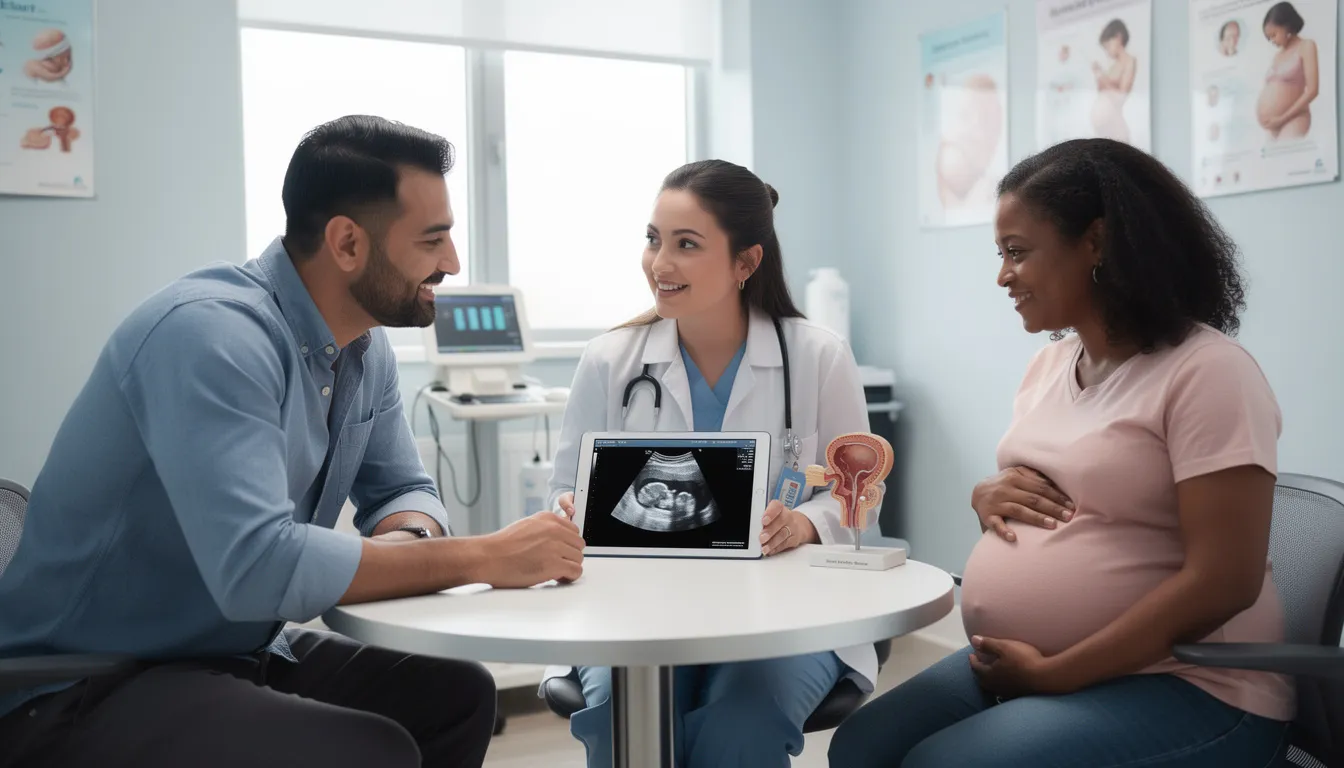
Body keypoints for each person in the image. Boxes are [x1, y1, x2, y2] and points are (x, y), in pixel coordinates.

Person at [0, 115, 586, 768]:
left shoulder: (364, 347)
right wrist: (482, 556)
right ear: (346, 244)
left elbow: (403, 489)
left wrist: (410, 539)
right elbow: (258, 567)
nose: (452, 263)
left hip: (225, 656)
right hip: (81, 684)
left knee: (457, 694)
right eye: (433, 240)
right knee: (371, 749)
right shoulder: (210, 338)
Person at [828, 138, 1295, 767]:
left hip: (1189, 686)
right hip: (1044, 667)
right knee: (862, 746)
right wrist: (984, 495)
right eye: (1001, 254)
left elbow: (1224, 582)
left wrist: (1059, 673)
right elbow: (1058, 487)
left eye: (1017, 253)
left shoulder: (1209, 373)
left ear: (1097, 243)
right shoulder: (1052, 363)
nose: (1002, 275)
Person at [546, 159, 874, 767]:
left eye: (686, 245)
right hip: (633, 611)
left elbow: (858, 497)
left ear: (746, 262)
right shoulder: (609, 360)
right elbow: (565, 488)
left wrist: (805, 524)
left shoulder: (817, 358)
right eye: (653, 239)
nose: (659, 264)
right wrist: (571, 509)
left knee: (740, 720)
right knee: (628, 717)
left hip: (784, 611)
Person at [1256, 2, 1318, 141]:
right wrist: (1274, 120)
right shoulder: (1277, 56)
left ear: (1287, 25)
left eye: (1274, 34)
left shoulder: (1306, 46)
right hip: (1272, 126)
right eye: (1269, 38)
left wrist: (1282, 118)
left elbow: (1312, 91)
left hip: (1294, 119)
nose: (1272, 40)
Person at [1090, 19, 1137, 144]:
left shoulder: (1129, 61)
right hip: (1104, 133)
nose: (1107, 52)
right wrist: (1098, 75)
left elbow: (1121, 94)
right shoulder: (1113, 66)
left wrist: (1102, 76)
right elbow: (1103, 91)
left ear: (1118, 38)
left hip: (1116, 131)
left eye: (1108, 46)